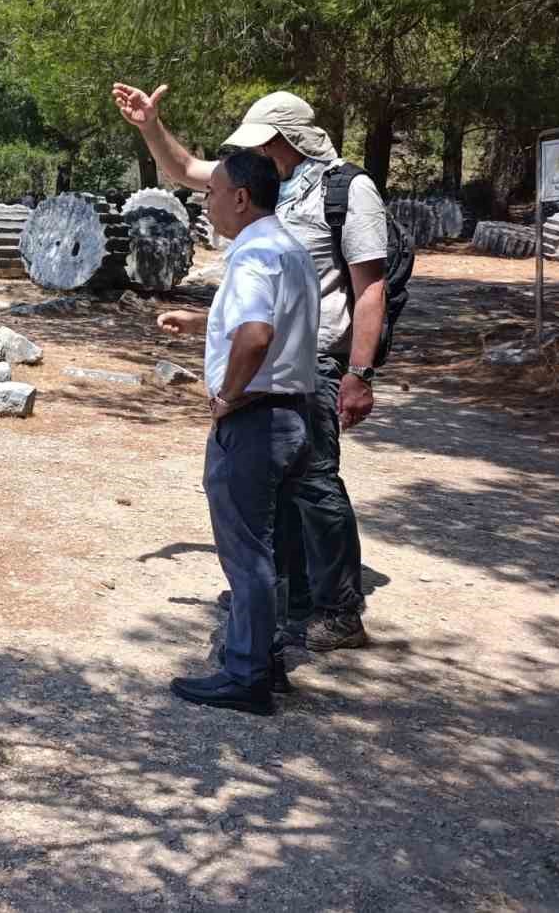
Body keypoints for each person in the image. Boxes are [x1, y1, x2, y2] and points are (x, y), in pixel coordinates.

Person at [114, 84, 385, 651]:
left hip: (311, 363)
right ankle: (284, 602)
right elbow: (187, 168)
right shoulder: (265, 184)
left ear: (283, 140)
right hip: (268, 361)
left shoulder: (347, 190)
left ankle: (338, 610)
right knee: (278, 492)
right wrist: (150, 125)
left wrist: (360, 372)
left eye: (261, 140)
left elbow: (370, 287)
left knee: (314, 487)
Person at [157, 152, 318, 715]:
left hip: (256, 420)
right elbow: (269, 323)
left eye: (212, 193)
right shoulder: (290, 249)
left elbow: (254, 336)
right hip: (295, 415)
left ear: (241, 198)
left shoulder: (252, 254)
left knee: (246, 553)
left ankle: (245, 675)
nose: (208, 203)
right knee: (273, 549)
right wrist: (204, 323)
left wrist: (226, 397)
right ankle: (266, 658)